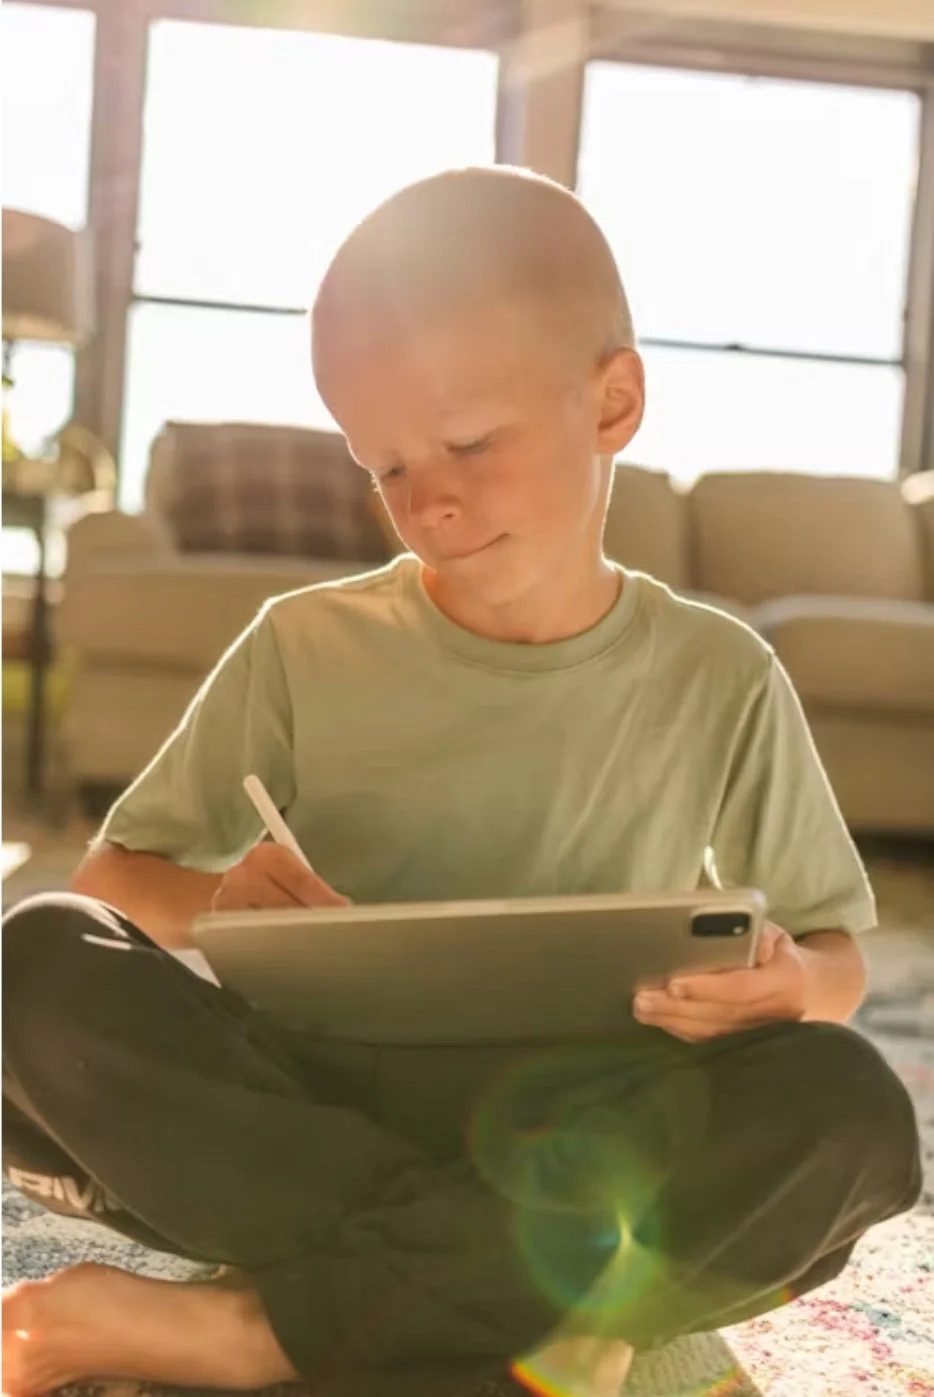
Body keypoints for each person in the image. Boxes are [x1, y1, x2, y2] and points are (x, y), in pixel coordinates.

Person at [2, 166, 922, 1397]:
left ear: (614, 400)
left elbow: (834, 965)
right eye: (381, 466)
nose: (424, 499)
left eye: (471, 442)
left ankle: (264, 1328)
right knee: (37, 957)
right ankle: (502, 1292)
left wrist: (783, 982)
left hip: (592, 1125)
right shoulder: (300, 643)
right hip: (311, 1105)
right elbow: (117, 877)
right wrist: (219, 896)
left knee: (849, 1111)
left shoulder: (721, 673)